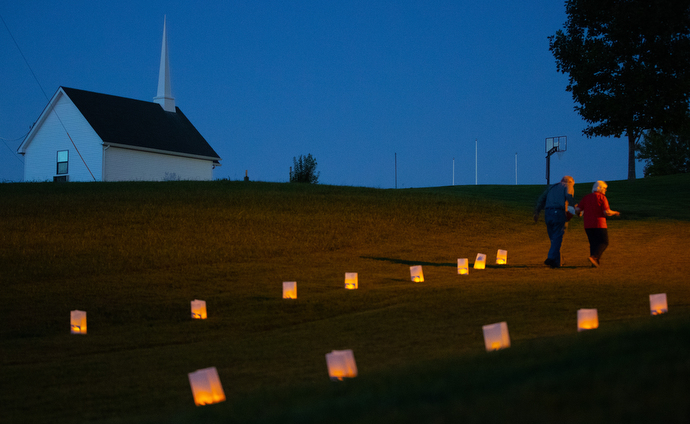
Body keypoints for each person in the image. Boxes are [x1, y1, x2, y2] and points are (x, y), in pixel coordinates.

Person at [533, 176, 577, 268]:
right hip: (559, 213)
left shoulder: (551, 187)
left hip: (548, 213)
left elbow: (542, 199)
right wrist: (574, 207)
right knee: (558, 237)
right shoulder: (568, 186)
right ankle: (551, 257)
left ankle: (557, 262)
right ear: (570, 182)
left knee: (554, 238)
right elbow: (569, 196)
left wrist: (537, 212)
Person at [577, 180, 620, 267]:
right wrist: (615, 212)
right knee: (604, 242)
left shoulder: (586, 197)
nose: (605, 190)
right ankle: (595, 257)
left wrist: (578, 214)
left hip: (588, 225)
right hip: (599, 224)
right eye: (605, 188)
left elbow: (578, 209)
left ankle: (594, 263)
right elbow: (606, 212)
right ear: (601, 188)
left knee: (593, 243)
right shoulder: (602, 197)